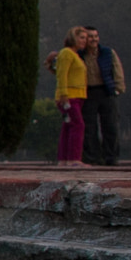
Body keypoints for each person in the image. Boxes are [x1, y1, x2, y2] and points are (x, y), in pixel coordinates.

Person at [81, 26, 126, 166]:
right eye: (90, 36)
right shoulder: (79, 55)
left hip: (106, 91)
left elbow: (117, 70)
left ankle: (111, 156)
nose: (94, 39)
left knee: (111, 126)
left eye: (96, 36)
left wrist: (118, 89)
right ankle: (93, 157)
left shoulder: (107, 53)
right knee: (89, 128)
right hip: (87, 92)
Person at [49, 26, 89, 167]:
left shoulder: (74, 54)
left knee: (68, 126)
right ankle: (73, 158)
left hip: (77, 95)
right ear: (73, 37)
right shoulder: (67, 53)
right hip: (69, 96)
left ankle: (64, 159)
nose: (85, 41)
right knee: (78, 125)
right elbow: (62, 74)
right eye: (82, 37)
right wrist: (64, 94)